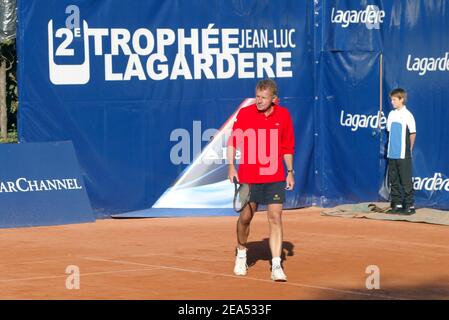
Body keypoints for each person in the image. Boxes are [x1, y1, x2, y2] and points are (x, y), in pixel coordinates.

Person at [227, 79, 295, 281]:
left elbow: (287, 147)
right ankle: (241, 253)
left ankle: (276, 265)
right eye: (257, 96)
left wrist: (290, 171)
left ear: (275, 99)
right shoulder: (245, 114)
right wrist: (231, 166)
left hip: (274, 176)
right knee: (246, 218)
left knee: (275, 217)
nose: (259, 101)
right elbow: (233, 141)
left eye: (263, 98)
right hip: (249, 176)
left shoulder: (283, 115)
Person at [386, 88, 416, 215]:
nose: (392, 102)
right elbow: (390, 132)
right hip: (392, 154)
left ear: (401, 99)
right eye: (391, 100)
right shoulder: (391, 114)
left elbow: (413, 133)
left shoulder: (408, 115)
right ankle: (397, 204)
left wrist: (409, 150)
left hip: (404, 154)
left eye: (394, 100)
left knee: (406, 181)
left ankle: (410, 206)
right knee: (394, 180)